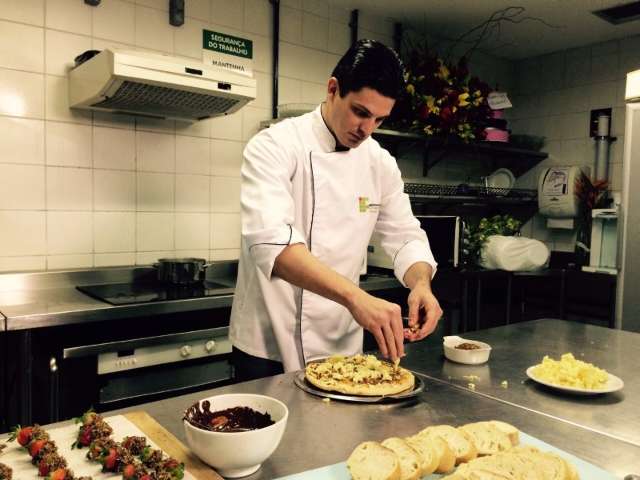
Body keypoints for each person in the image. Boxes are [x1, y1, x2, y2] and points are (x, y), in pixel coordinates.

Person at [229, 39, 442, 381]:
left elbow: (405, 237)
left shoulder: (380, 163)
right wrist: (356, 298)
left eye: (379, 119)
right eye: (360, 112)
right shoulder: (274, 145)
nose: (367, 130)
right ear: (333, 89)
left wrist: (421, 284)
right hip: (268, 345)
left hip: (342, 348)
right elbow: (275, 247)